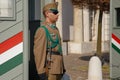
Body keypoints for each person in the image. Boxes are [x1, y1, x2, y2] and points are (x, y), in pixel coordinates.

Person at [34, 2, 65, 80]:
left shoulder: (55, 29)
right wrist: (41, 71)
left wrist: (62, 67)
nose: (57, 15)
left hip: (58, 69)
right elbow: (39, 53)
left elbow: (59, 51)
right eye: (55, 12)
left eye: (57, 13)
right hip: (49, 70)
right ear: (47, 13)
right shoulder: (42, 30)